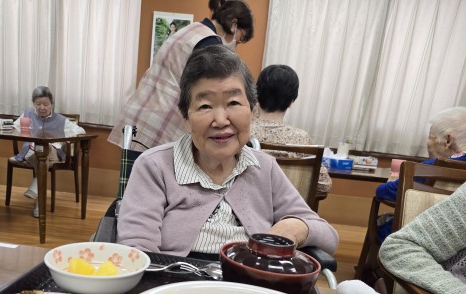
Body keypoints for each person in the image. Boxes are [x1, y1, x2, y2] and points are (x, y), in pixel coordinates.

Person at [117, 46, 339, 259]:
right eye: (205, 106)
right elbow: (136, 249)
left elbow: (328, 237)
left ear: (252, 111)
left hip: (250, 280)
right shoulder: (155, 166)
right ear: (186, 119)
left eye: (233, 102)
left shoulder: (265, 168)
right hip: (175, 278)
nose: (221, 120)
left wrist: (295, 227)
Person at [107, 0, 254, 150]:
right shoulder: (208, 43)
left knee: (135, 163)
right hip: (160, 121)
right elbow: (215, 90)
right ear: (233, 24)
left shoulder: (191, 29)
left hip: (140, 114)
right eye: (240, 38)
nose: (236, 43)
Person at [378, 166, 466, 294]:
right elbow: (400, 246)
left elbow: (382, 191)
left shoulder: (429, 164)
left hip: (443, 240)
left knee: (381, 224)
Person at [375, 106, 466, 242]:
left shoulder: (428, 168)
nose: (428, 143)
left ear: (448, 140)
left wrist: (392, 181)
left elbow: (382, 192)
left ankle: (373, 255)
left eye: (430, 137)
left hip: (418, 237)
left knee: (380, 225)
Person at [250, 64, 332, 195]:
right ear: (291, 101)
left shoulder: (243, 133)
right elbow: (324, 185)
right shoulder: (301, 138)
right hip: (288, 207)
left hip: (245, 205)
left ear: (257, 95)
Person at [12, 86, 85, 218]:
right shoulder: (28, 115)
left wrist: (64, 137)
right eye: (38, 104)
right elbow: (14, 127)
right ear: (33, 103)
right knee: (41, 155)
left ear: (52, 104)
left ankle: (38, 202)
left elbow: (81, 131)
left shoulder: (61, 120)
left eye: (46, 104)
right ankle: (37, 199)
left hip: (53, 153)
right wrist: (25, 132)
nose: (42, 107)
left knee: (44, 152)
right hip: (30, 153)